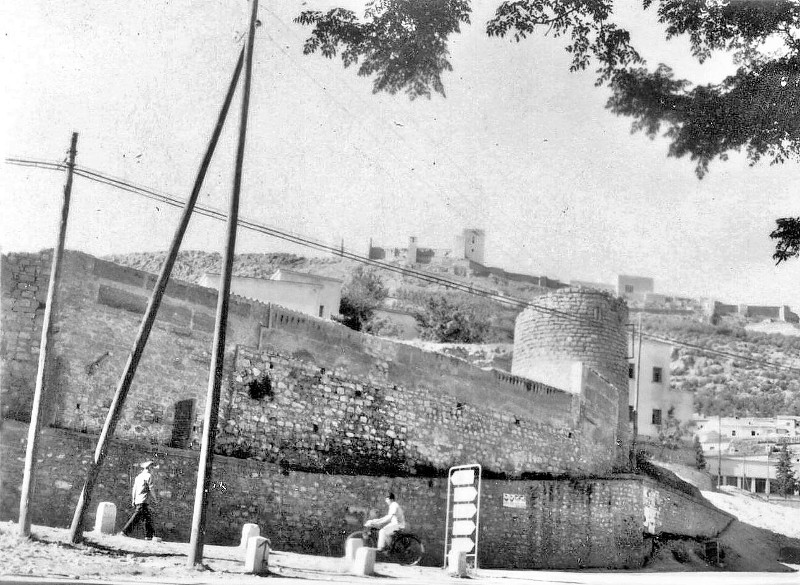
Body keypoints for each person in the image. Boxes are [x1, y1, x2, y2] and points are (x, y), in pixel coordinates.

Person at [121, 460, 158, 540]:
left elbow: (134, 489)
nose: (153, 469)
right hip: (143, 500)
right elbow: (151, 488)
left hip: (138, 500)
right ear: (149, 468)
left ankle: (149, 536)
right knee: (137, 516)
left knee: (147, 517)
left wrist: (133, 499)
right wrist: (155, 499)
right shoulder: (149, 476)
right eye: (152, 468)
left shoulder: (138, 476)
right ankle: (124, 531)